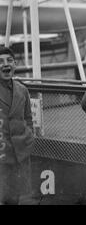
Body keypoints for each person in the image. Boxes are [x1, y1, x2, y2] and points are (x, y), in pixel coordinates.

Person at [0, 46, 34, 205]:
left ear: (15, 64)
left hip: (20, 153)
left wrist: (29, 139)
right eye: (0, 61)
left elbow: (28, 118)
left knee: (19, 197)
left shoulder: (22, 90)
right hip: (2, 154)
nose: (6, 65)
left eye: (9, 60)